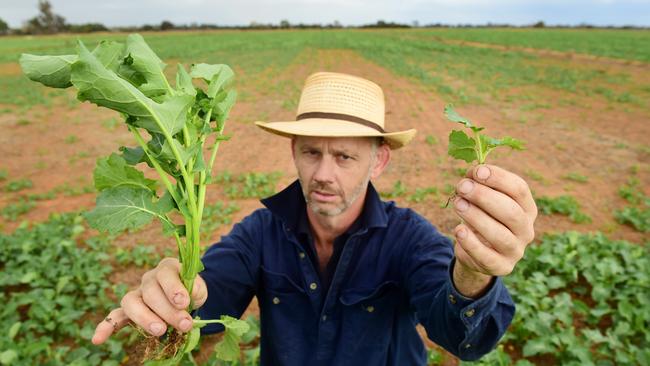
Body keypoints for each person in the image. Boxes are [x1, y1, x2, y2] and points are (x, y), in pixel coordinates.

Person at [92, 72, 537, 364]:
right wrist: (178, 293)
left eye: (344, 156)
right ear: (294, 153)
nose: (323, 174)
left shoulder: (409, 239)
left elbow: (465, 338)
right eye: (311, 152)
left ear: (378, 162)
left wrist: (473, 274)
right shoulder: (260, 233)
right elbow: (212, 294)